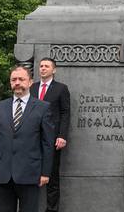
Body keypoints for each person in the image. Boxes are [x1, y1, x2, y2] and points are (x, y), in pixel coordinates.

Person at [0, 65, 54, 212]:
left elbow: (47, 143)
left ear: (30, 82)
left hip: (30, 173)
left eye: (21, 79)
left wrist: (46, 172)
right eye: (13, 79)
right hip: (3, 175)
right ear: (10, 83)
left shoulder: (43, 107)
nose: (17, 82)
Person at [31, 57, 70, 212]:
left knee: (52, 177)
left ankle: (52, 209)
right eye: (41, 66)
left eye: (46, 66)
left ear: (54, 70)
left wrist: (62, 135)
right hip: (32, 138)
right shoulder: (32, 88)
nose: (43, 68)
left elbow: (65, 113)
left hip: (52, 139)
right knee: (30, 174)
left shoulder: (61, 88)